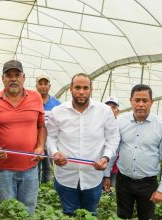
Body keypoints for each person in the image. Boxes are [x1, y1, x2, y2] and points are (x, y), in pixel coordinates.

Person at [46, 73, 120, 216]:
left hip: (93, 177)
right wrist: (55, 153)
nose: (81, 91)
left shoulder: (104, 111)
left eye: (85, 88)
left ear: (91, 89)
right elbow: (51, 138)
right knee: (69, 213)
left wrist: (105, 157)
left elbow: (113, 138)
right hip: (66, 175)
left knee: (90, 214)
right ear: (71, 89)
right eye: (77, 87)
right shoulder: (58, 111)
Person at [0, 60, 46, 214]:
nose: (13, 79)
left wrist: (40, 146)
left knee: (29, 208)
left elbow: (41, 126)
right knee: (8, 210)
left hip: (30, 166)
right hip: (4, 168)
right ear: (2, 79)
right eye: (8, 75)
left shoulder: (35, 97)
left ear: (23, 77)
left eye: (17, 75)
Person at [115, 84, 162, 219]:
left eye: (145, 100)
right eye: (137, 100)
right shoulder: (121, 121)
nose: (141, 104)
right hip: (123, 180)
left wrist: (160, 190)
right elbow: (114, 149)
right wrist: (106, 175)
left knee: (146, 217)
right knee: (123, 216)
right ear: (131, 101)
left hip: (148, 183)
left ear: (151, 102)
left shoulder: (160, 125)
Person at [35, 74, 60, 183]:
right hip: (35, 142)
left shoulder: (57, 104)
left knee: (47, 168)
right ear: (36, 86)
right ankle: (35, 187)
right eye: (40, 84)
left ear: (49, 86)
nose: (43, 86)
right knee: (34, 168)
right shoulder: (32, 101)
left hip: (50, 141)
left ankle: (45, 188)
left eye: (46, 84)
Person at [102, 96, 120, 192]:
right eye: (107, 107)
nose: (110, 110)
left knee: (112, 191)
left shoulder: (121, 126)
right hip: (99, 166)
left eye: (113, 107)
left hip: (115, 169)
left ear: (118, 111)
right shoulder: (97, 125)